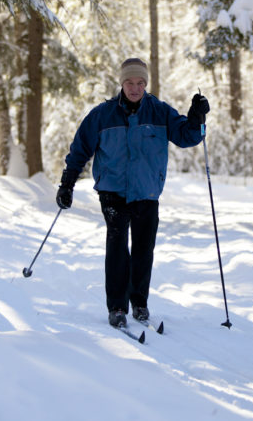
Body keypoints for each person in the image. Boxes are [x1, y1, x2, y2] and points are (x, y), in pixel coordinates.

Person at [56, 58, 210, 329]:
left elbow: (187, 136)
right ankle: (117, 307)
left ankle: (139, 302)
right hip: (112, 191)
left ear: (145, 84)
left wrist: (196, 117)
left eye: (140, 83)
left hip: (147, 191)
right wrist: (67, 182)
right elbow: (80, 148)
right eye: (130, 82)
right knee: (117, 248)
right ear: (122, 83)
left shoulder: (160, 112)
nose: (135, 88)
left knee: (143, 249)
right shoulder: (102, 115)